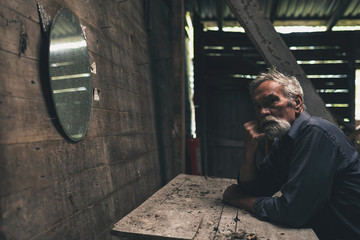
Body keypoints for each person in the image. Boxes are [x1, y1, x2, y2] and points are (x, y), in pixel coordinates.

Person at [222, 68, 360, 239]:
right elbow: (255, 188)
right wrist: (249, 151)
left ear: (297, 103)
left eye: (271, 102)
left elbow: (294, 212)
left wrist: (239, 200)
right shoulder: (285, 140)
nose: (263, 112)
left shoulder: (316, 133)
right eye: (258, 106)